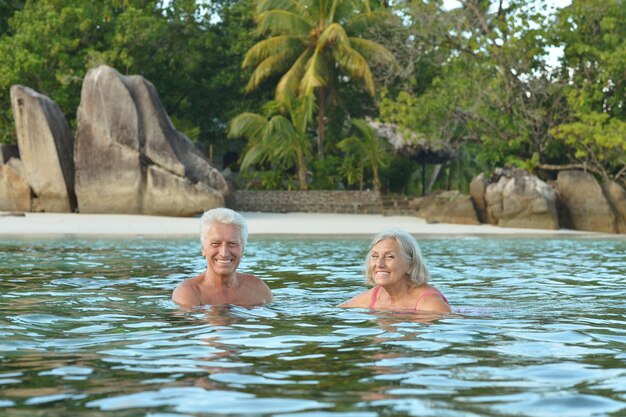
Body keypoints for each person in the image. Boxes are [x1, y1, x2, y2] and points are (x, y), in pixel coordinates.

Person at [172, 208, 273, 308]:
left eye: (232, 244)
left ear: (242, 250)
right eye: (216, 243)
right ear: (203, 249)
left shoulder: (258, 290)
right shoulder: (188, 293)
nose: (224, 253)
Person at [339, 228, 451, 314]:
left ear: (410, 265)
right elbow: (336, 311)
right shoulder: (374, 295)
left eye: (390, 257)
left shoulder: (430, 304)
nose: (379, 264)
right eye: (375, 256)